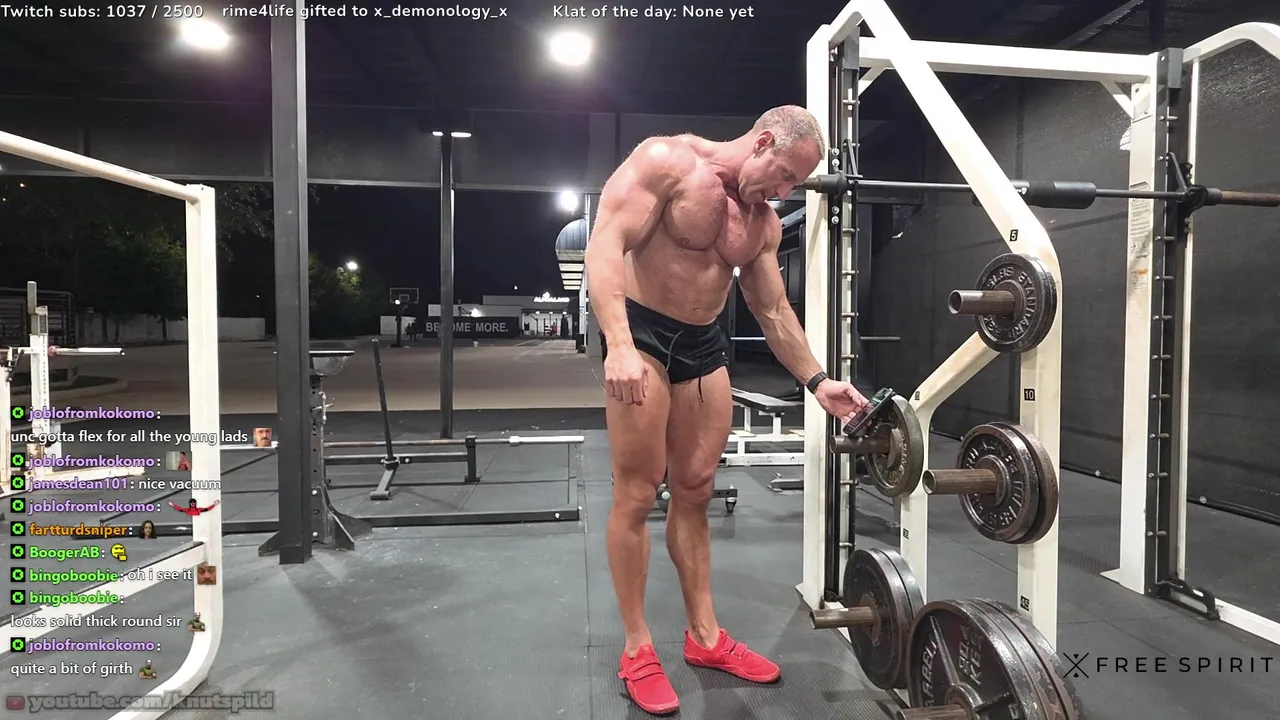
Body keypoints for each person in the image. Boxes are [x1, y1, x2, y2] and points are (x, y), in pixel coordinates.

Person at [584, 105, 870, 716]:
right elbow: (605, 244)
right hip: (642, 335)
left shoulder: (761, 223)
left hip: (702, 345)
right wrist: (618, 344)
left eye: (795, 184)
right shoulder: (667, 162)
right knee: (637, 493)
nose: (785, 192)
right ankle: (637, 647)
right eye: (786, 175)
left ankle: (705, 637)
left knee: (696, 489)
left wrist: (818, 381)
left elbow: (772, 309)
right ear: (763, 141)